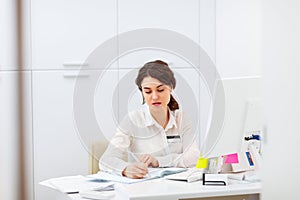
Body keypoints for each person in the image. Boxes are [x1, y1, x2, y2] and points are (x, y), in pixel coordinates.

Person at [99, 60, 200, 179]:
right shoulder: (133, 120)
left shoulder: (181, 118)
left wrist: (159, 161)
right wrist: (125, 169)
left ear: (171, 88)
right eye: (148, 91)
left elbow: (195, 157)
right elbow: (106, 160)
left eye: (160, 90)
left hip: (178, 186)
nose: (155, 96)